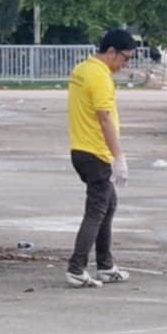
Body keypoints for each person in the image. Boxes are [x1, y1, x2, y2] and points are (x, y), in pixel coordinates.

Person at [66, 27, 135, 288]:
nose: (124, 64)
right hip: (95, 152)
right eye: (124, 58)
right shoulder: (100, 77)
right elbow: (104, 118)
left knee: (108, 205)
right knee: (97, 210)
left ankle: (106, 265)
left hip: (81, 150)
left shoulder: (82, 69)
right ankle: (77, 267)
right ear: (110, 51)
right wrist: (119, 157)